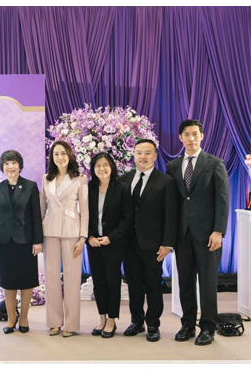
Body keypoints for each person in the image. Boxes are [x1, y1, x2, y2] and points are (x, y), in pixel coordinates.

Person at [166, 119, 229, 346]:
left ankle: (208, 328)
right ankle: (187, 325)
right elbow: (172, 203)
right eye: (186, 134)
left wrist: (218, 231)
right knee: (185, 282)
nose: (191, 138)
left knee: (208, 283)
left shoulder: (215, 163)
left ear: (202, 136)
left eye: (195, 134)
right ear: (180, 137)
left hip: (207, 235)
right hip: (182, 235)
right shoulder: (172, 166)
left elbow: (222, 200)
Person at [120, 139, 178, 342]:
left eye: (147, 152)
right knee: (133, 284)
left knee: (153, 285)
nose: (142, 157)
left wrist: (167, 243)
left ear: (155, 155)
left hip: (154, 243)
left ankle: (153, 324)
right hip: (128, 243)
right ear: (133, 154)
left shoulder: (166, 181)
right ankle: (136, 321)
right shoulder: (124, 179)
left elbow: (171, 215)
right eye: (139, 152)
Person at [0, 150, 43, 334]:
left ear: (20, 165)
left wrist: (38, 241)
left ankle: (24, 318)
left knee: (26, 281)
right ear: (2, 167)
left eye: (14, 163)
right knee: (8, 281)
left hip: (26, 240)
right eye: (7, 164)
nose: (10, 167)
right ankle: (11, 318)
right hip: (5, 241)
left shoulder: (30, 186)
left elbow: (36, 215)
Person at [40, 141, 88, 337]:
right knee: (51, 277)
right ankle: (54, 322)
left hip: (72, 231)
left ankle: (71, 324)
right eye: (56, 154)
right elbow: (42, 207)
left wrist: (83, 237)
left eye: (63, 153)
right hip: (50, 230)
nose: (59, 157)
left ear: (69, 155)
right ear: (52, 157)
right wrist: (37, 235)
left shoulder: (80, 178)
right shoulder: (46, 178)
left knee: (72, 278)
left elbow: (85, 209)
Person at [87, 152, 133, 338]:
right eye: (98, 165)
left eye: (105, 165)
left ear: (112, 167)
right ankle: (102, 318)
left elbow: (127, 218)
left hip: (114, 243)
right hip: (93, 243)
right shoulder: (88, 188)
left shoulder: (122, 188)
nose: (102, 169)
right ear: (93, 169)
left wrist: (111, 237)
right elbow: (83, 216)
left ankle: (112, 320)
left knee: (112, 281)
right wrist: (89, 237)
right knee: (98, 281)